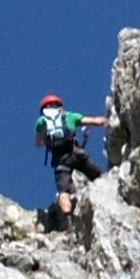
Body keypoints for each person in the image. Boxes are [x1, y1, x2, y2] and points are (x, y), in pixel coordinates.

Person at [35, 93, 110, 225]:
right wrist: (109, 119)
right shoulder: (69, 116)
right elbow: (95, 121)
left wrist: (46, 140)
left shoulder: (41, 121)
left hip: (60, 160)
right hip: (76, 153)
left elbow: (38, 143)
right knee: (97, 176)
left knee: (63, 191)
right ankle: (109, 193)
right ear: (60, 106)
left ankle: (68, 218)